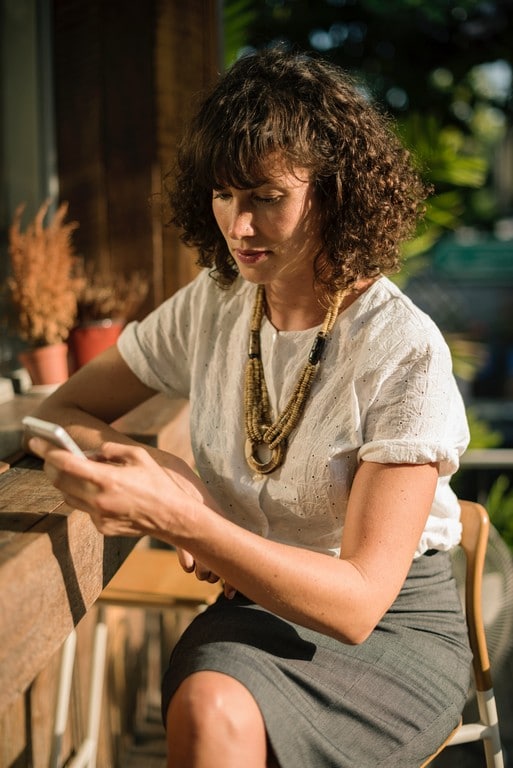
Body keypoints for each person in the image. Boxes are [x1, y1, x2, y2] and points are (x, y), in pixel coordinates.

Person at [29, 47, 473, 768]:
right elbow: (61, 410)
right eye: (223, 195)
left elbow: (358, 605)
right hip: (257, 608)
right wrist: (157, 463)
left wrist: (187, 521)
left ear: (333, 192)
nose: (239, 226)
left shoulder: (402, 349)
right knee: (209, 706)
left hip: (390, 631)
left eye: (266, 198)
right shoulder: (216, 303)